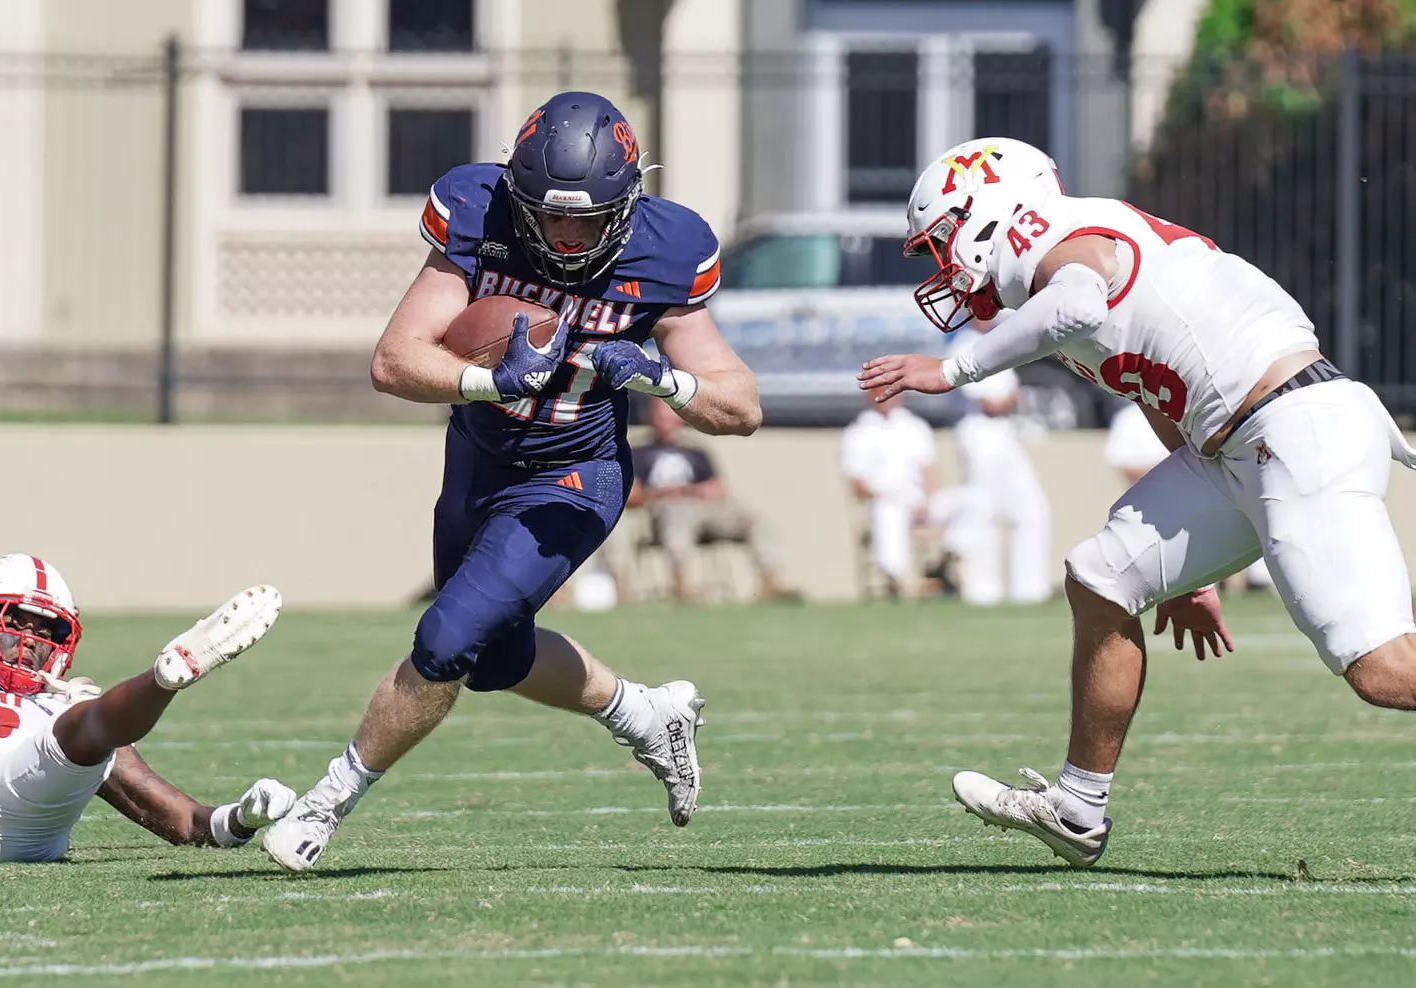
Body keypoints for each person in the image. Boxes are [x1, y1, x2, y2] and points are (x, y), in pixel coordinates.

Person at [860, 136, 1416, 867]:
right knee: (1101, 577)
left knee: (1384, 673)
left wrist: (953, 369)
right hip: (1237, 447)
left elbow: (1079, 299)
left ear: (988, 214)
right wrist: (1192, 572)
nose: (941, 267)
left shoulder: (1061, 247)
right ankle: (1076, 807)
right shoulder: (1048, 286)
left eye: (941, 243)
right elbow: (1164, 408)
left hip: (1291, 428)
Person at [257, 91, 762, 872]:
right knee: (492, 659)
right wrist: (485, 382)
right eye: (549, 215)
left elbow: (741, 406)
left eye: (586, 218)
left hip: (575, 472)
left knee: (446, 640)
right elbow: (394, 360)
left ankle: (323, 804)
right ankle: (646, 716)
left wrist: (666, 381)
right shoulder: (475, 211)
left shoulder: (668, 250)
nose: (564, 235)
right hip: (478, 456)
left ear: (626, 202)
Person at [0, 458, 294, 868]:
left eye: (48, 632)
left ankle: (166, 676)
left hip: (24, 831)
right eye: (14, 621)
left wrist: (242, 819)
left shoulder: (63, 703)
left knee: (79, 724)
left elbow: (183, 820)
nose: (31, 641)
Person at [610, 396, 797, 602]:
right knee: (677, 512)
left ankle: (770, 584)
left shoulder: (696, 451)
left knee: (756, 521)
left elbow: (717, 489)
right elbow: (632, 495)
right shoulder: (638, 452)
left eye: (672, 416)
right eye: (662, 417)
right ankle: (681, 586)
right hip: (660, 512)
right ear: (650, 418)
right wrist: (668, 494)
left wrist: (687, 491)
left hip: (704, 510)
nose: (668, 422)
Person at [1105, 403, 1272, 592]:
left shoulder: (1188, 405)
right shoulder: (1129, 418)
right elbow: (1122, 463)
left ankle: (1240, 583)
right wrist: (1170, 474)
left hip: (1199, 489)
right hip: (1152, 504)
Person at [841, 388, 988, 599]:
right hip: (886, 498)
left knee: (975, 499)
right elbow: (858, 482)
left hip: (920, 500)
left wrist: (926, 502)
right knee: (887, 511)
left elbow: (928, 468)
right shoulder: (858, 432)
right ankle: (899, 579)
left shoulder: (914, 427)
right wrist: (887, 495)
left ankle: (945, 560)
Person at [951, 339, 1052, 605]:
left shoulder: (1002, 337)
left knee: (1031, 508)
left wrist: (1009, 401)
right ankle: (982, 590)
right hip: (979, 430)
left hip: (1005, 430)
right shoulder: (961, 344)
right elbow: (990, 402)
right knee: (984, 510)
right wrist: (1006, 401)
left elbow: (1014, 395)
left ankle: (1029, 589)